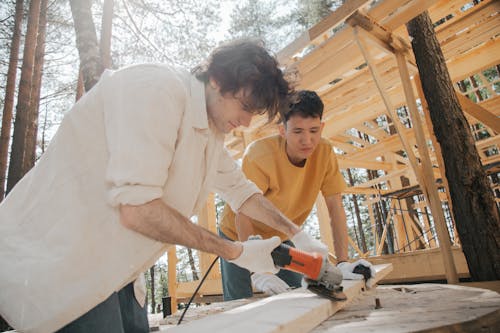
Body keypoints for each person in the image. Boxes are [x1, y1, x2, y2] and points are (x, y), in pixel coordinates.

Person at [0, 40, 328, 333]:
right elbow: (137, 209)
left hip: (116, 270)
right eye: (245, 108)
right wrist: (236, 252)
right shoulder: (154, 90)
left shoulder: (209, 130)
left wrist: (297, 234)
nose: (246, 123)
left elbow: (241, 191)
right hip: (61, 262)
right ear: (216, 79)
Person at [219, 90, 375, 301]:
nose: (307, 140)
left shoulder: (325, 153)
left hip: (280, 235)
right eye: (298, 131)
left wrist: (343, 262)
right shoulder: (259, 155)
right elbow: (244, 211)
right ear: (282, 130)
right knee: (239, 304)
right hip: (237, 235)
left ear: (322, 127)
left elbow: (335, 208)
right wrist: (258, 271)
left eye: (313, 131)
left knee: (298, 295)